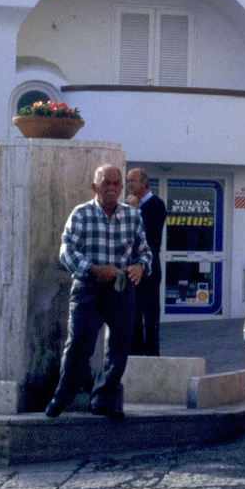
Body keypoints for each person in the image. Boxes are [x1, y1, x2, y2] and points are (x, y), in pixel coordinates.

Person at [46, 164, 153, 420]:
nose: (112, 188)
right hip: (89, 289)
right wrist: (93, 269)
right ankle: (63, 395)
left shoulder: (132, 216)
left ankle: (105, 399)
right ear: (95, 186)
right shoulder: (81, 214)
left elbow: (145, 251)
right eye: (106, 183)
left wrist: (140, 266)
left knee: (119, 347)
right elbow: (66, 251)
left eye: (117, 183)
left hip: (121, 289)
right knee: (78, 346)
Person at [125, 167, 167, 357]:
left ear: (144, 183)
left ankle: (152, 357)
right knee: (132, 314)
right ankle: (134, 355)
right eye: (127, 181)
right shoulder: (127, 205)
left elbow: (150, 237)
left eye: (133, 181)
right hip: (131, 268)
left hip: (150, 267)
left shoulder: (156, 204)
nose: (129, 185)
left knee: (150, 316)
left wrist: (135, 210)